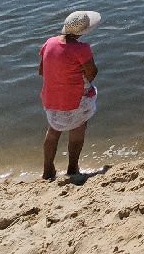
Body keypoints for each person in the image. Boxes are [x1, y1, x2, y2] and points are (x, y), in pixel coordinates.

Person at [39, 9, 100, 180]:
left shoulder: (49, 43)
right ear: (84, 31)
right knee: (78, 130)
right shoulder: (82, 49)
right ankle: (72, 168)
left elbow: (41, 71)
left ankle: (48, 170)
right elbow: (92, 74)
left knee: (53, 131)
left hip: (51, 99)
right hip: (75, 100)